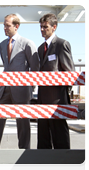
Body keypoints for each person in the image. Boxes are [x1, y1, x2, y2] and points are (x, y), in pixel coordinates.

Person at [0, 14, 40, 149]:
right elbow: (7, 66)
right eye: (4, 25)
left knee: (23, 123)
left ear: (16, 26)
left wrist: (30, 88)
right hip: (5, 88)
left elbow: (35, 68)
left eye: (7, 25)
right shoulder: (1, 45)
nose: (4, 28)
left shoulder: (28, 43)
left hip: (22, 90)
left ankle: (24, 152)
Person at [37, 13, 75, 149]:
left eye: (45, 27)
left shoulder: (61, 44)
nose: (42, 30)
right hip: (42, 100)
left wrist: (62, 96)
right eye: (41, 27)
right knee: (43, 138)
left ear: (54, 27)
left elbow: (70, 74)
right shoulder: (41, 48)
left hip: (57, 101)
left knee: (60, 138)